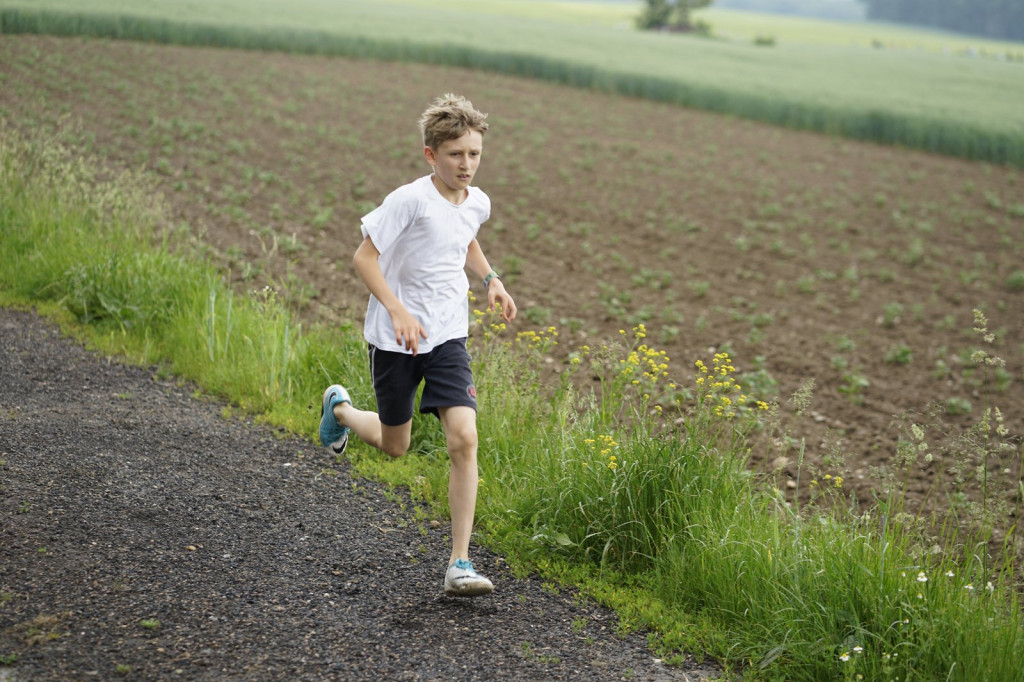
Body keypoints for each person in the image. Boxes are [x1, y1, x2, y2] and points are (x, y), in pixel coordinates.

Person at [319, 93, 517, 597]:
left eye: (474, 154)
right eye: (455, 154)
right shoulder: (408, 200)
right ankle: (340, 409)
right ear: (431, 155)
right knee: (395, 446)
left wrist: (491, 278)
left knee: (464, 438)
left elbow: (465, 237)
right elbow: (364, 258)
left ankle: (459, 564)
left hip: (448, 335)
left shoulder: (477, 201)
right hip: (395, 339)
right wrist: (396, 309)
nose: (466, 164)